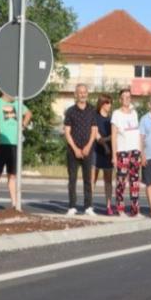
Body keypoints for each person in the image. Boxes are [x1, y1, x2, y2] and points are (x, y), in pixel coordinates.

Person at [0, 91, 31, 211]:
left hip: (14, 144)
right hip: (0, 143)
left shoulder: (18, 104)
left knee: (12, 175)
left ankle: (14, 204)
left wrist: (23, 125)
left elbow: (28, 113)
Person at [63, 83, 99, 215]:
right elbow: (67, 132)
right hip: (73, 151)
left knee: (88, 179)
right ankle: (72, 206)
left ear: (87, 93)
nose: (82, 94)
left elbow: (94, 130)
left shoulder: (92, 110)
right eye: (80, 92)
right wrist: (75, 149)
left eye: (84, 92)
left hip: (88, 150)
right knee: (72, 179)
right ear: (75, 94)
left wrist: (88, 147)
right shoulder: (70, 111)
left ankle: (88, 206)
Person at [111, 89, 143, 217]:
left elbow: (138, 133)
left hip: (134, 151)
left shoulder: (134, 113)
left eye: (128, 97)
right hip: (122, 151)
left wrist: (140, 151)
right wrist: (114, 155)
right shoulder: (116, 114)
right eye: (124, 97)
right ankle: (120, 209)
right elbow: (113, 135)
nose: (126, 99)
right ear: (120, 99)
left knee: (135, 182)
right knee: (121, 182)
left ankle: (135, 210)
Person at [93, 95, 115, 212]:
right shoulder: (94, 117)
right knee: (93, 179)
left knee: (108, 181)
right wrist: (106, 143)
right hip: (96, 151)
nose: (110, 105)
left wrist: (108, 144)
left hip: (108, 153)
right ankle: (89, 205)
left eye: (111, 103)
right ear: (102, 104)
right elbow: (96, 135)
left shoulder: (112, 119)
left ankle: (108, 205)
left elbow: (114, 135)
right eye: (108, 103)